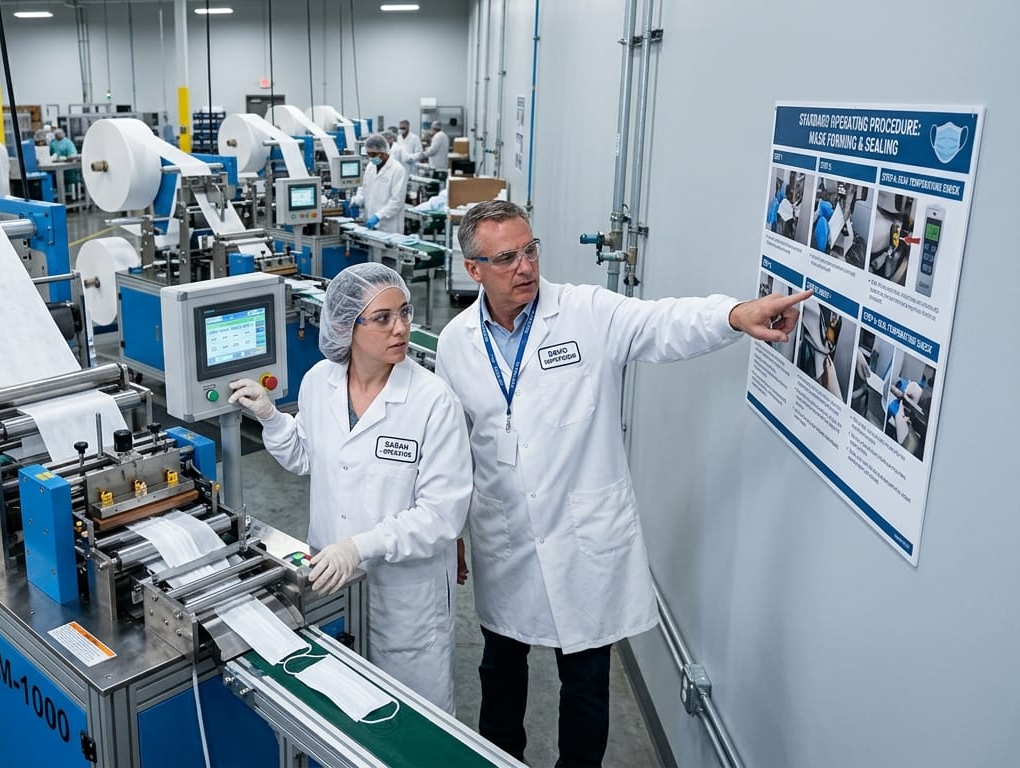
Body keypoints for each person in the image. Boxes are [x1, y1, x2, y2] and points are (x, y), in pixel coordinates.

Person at [433, 200, 810, 768]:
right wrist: (451, 531)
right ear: (474, 269)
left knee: (585, 685)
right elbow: (451, 446)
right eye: (506, 258)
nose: (525, 266)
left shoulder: (586, 311)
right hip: (504, 535)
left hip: (584, 540)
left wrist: (734, 315)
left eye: (530, 250)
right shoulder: (456, 342)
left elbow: (662, 323)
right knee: (501, 675)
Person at [228, 263, 472, 713]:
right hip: (332, 583)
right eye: (382, 318)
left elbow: (441, 515)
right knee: (342, 709)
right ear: (345, 326)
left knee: (412, 719)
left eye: (404, 312)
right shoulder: (319, 381)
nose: (401, 328)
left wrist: (358, 547)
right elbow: (305, 457)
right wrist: (271, 418)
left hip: (405, 598)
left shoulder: (433, 401)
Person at [349, 134, 408, 234]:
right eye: (368, 154)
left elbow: (397, 201)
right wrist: (356, 201)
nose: (370, 158)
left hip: (389, 226)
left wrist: (378, 216)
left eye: (373, 154)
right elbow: (363, 188)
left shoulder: (398, 170)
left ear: (383, 152)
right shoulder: (370, 166)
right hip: (370, 223)